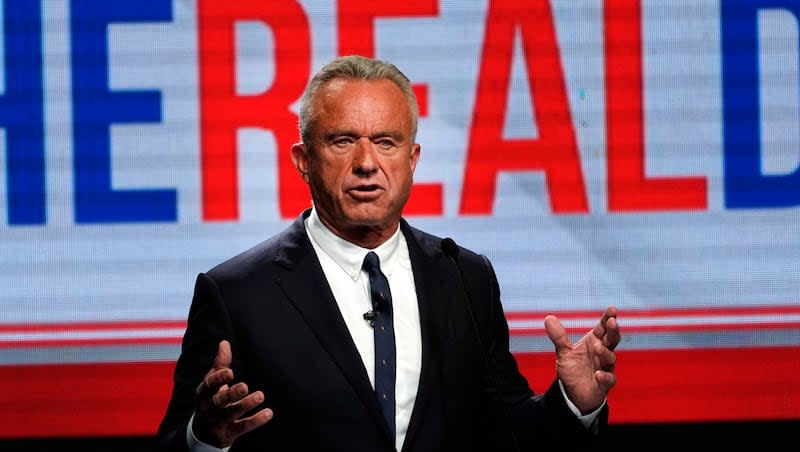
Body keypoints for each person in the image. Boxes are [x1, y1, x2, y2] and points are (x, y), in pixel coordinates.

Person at [155, 55, 620, 452]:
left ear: (412, 160)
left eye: (385, 142)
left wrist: (572, 402)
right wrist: (206, 437)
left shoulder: (464, 278)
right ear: (302, 160)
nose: (366, 163)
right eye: (342, 140)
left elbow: (508, 435)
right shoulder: (237, 294)